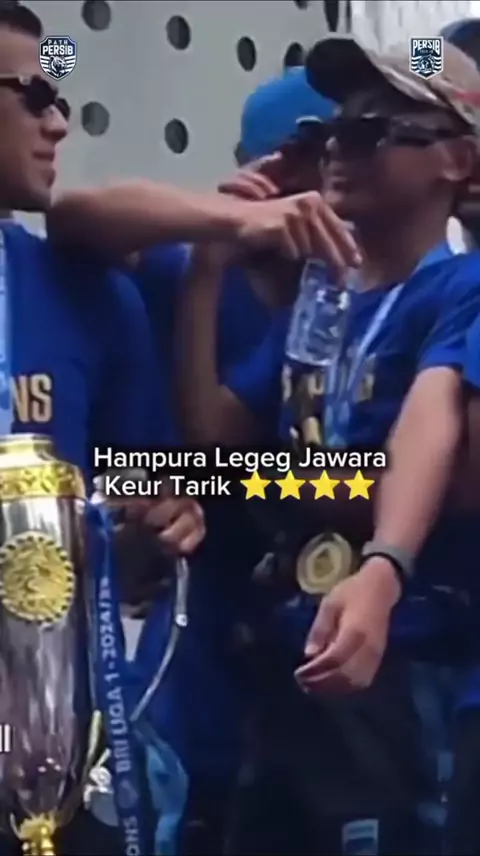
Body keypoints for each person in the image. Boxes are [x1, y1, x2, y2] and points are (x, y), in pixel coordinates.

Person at [180, 35, 480, 855]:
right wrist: (207, 266)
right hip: (290, 664)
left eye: (372, 129)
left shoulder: (462, 289)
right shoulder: (320, 298)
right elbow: (211, 436)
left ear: (457, 161)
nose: (340, 148)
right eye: (332, 130)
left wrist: (252, 481)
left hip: (406, 663)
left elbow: (423, 479)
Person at [0, 4, 206, 856]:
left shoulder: (87, 293)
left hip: (54, 750)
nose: (58, 121)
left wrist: (158, 523)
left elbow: (142, 485)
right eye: (34, 95)